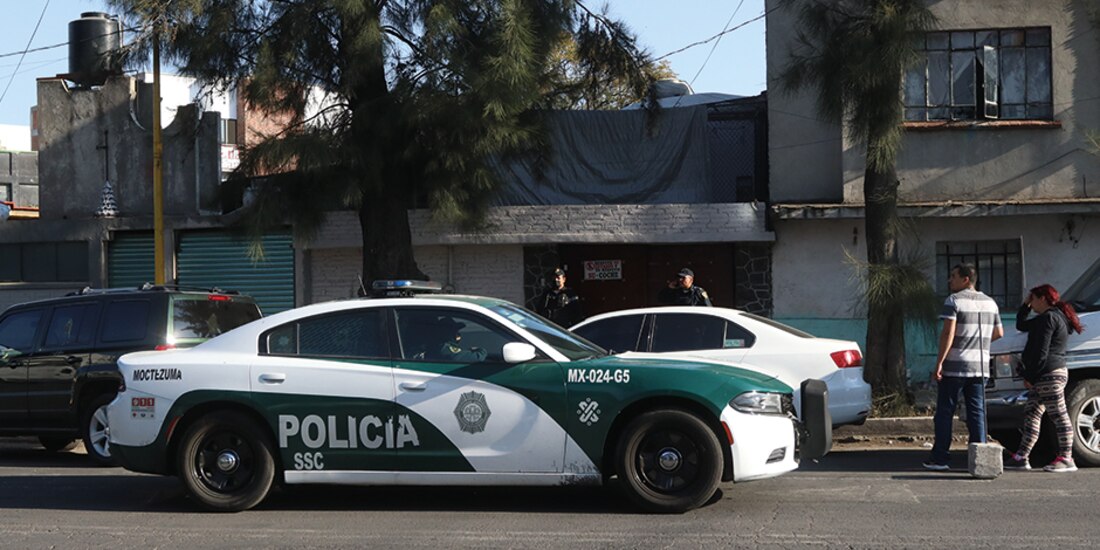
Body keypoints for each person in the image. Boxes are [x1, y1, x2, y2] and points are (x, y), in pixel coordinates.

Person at [924, 263, 1004, 471]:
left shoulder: (954, 301)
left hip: (955, 365)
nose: (950, 280)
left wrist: (939, 362)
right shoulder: (990, 303)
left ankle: (940, 458)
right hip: (981, 366)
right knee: (977, 412)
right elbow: (999, 333)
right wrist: (978, 343)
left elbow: (948, 333)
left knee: (945, 412)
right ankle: (980, 459)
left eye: (953, 276)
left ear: (965, 279)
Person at [1005, 284, 1085, 472]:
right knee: (1032, 413)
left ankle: (1066, 458)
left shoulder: (1049, 318)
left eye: (1032, 299)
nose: (1031, 304)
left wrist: (1030, 376)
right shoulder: (1054, 317)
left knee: (1058, 414)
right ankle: (1021, 457)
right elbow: (1021, 325)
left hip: (1048, 374)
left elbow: (1040, 351)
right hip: (1049, 373)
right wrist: (1025, 306)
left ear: (1042, 299)